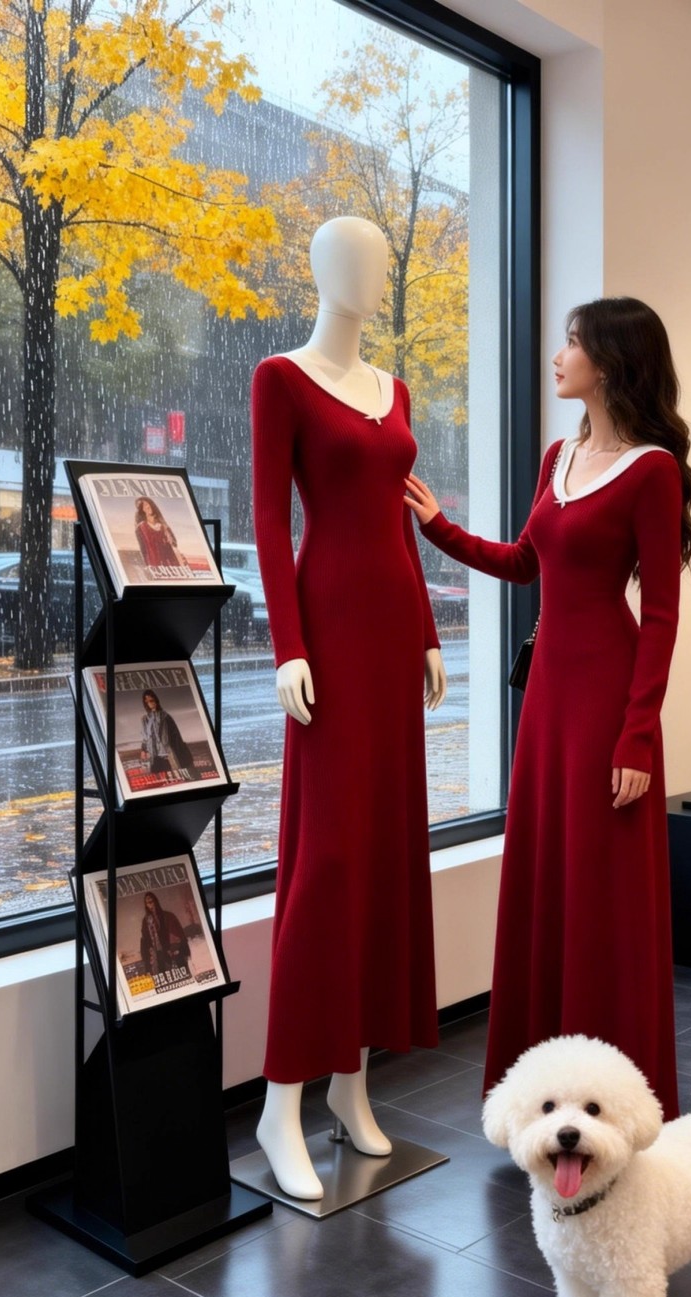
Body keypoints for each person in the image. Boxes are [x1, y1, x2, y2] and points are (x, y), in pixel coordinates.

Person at [405, 296, 691, 1118]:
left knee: (602, 893)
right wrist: (440, 529)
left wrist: (637, 737)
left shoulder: (651, 470)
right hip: (548, 702)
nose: (558, 355)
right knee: (545, 880)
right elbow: (524, 563)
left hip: (609, 700)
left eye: (572, 343)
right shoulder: (557, 457)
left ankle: (617, 1102)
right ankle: (539, 1092)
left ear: (608, 362)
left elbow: (662, 615)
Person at [252, 216, 446, 1201]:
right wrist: (287, 646)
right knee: (326, 866)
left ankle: (351, 1085)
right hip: (326, 635)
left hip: (390, 640)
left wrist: (428, 633)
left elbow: (402, 527)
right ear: (321, 270)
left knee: (381, 857)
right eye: (353, 259)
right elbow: (267, 518)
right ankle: (279, 1103)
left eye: (379, 260)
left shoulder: (394, 391)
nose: (371, 275)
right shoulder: (280, 379)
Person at [139, 688, 197, 780]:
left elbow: (176, 736)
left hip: (168, 754)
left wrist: (180, 754)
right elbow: (145, 737)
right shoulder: (145, 719)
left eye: (151, 700)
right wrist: (143, 749)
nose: (149, 703)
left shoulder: (165, 717)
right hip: (154, 755)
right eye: (147, 702)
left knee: (178, 777)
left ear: (156, 700)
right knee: (161, 779)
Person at [138, 890, 189, 978]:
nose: (150, 904)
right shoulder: (146, 921)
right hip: (158, 954)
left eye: (151, 901)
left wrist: (176, 947)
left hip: (171, 950)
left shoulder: (167, 916)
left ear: (155, 901)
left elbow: (178, 933)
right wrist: (148, 956)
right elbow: (145, 939)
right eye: (147, 903)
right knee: (164, 975)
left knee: (181, 973)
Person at [134, 497, 184, 570]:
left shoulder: (164, 527)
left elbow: (174, 544)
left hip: (169, 563)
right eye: (143, 506)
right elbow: (143, 549)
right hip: (155, 563)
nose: (147, 507)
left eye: (147, 504)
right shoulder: (141, 527)